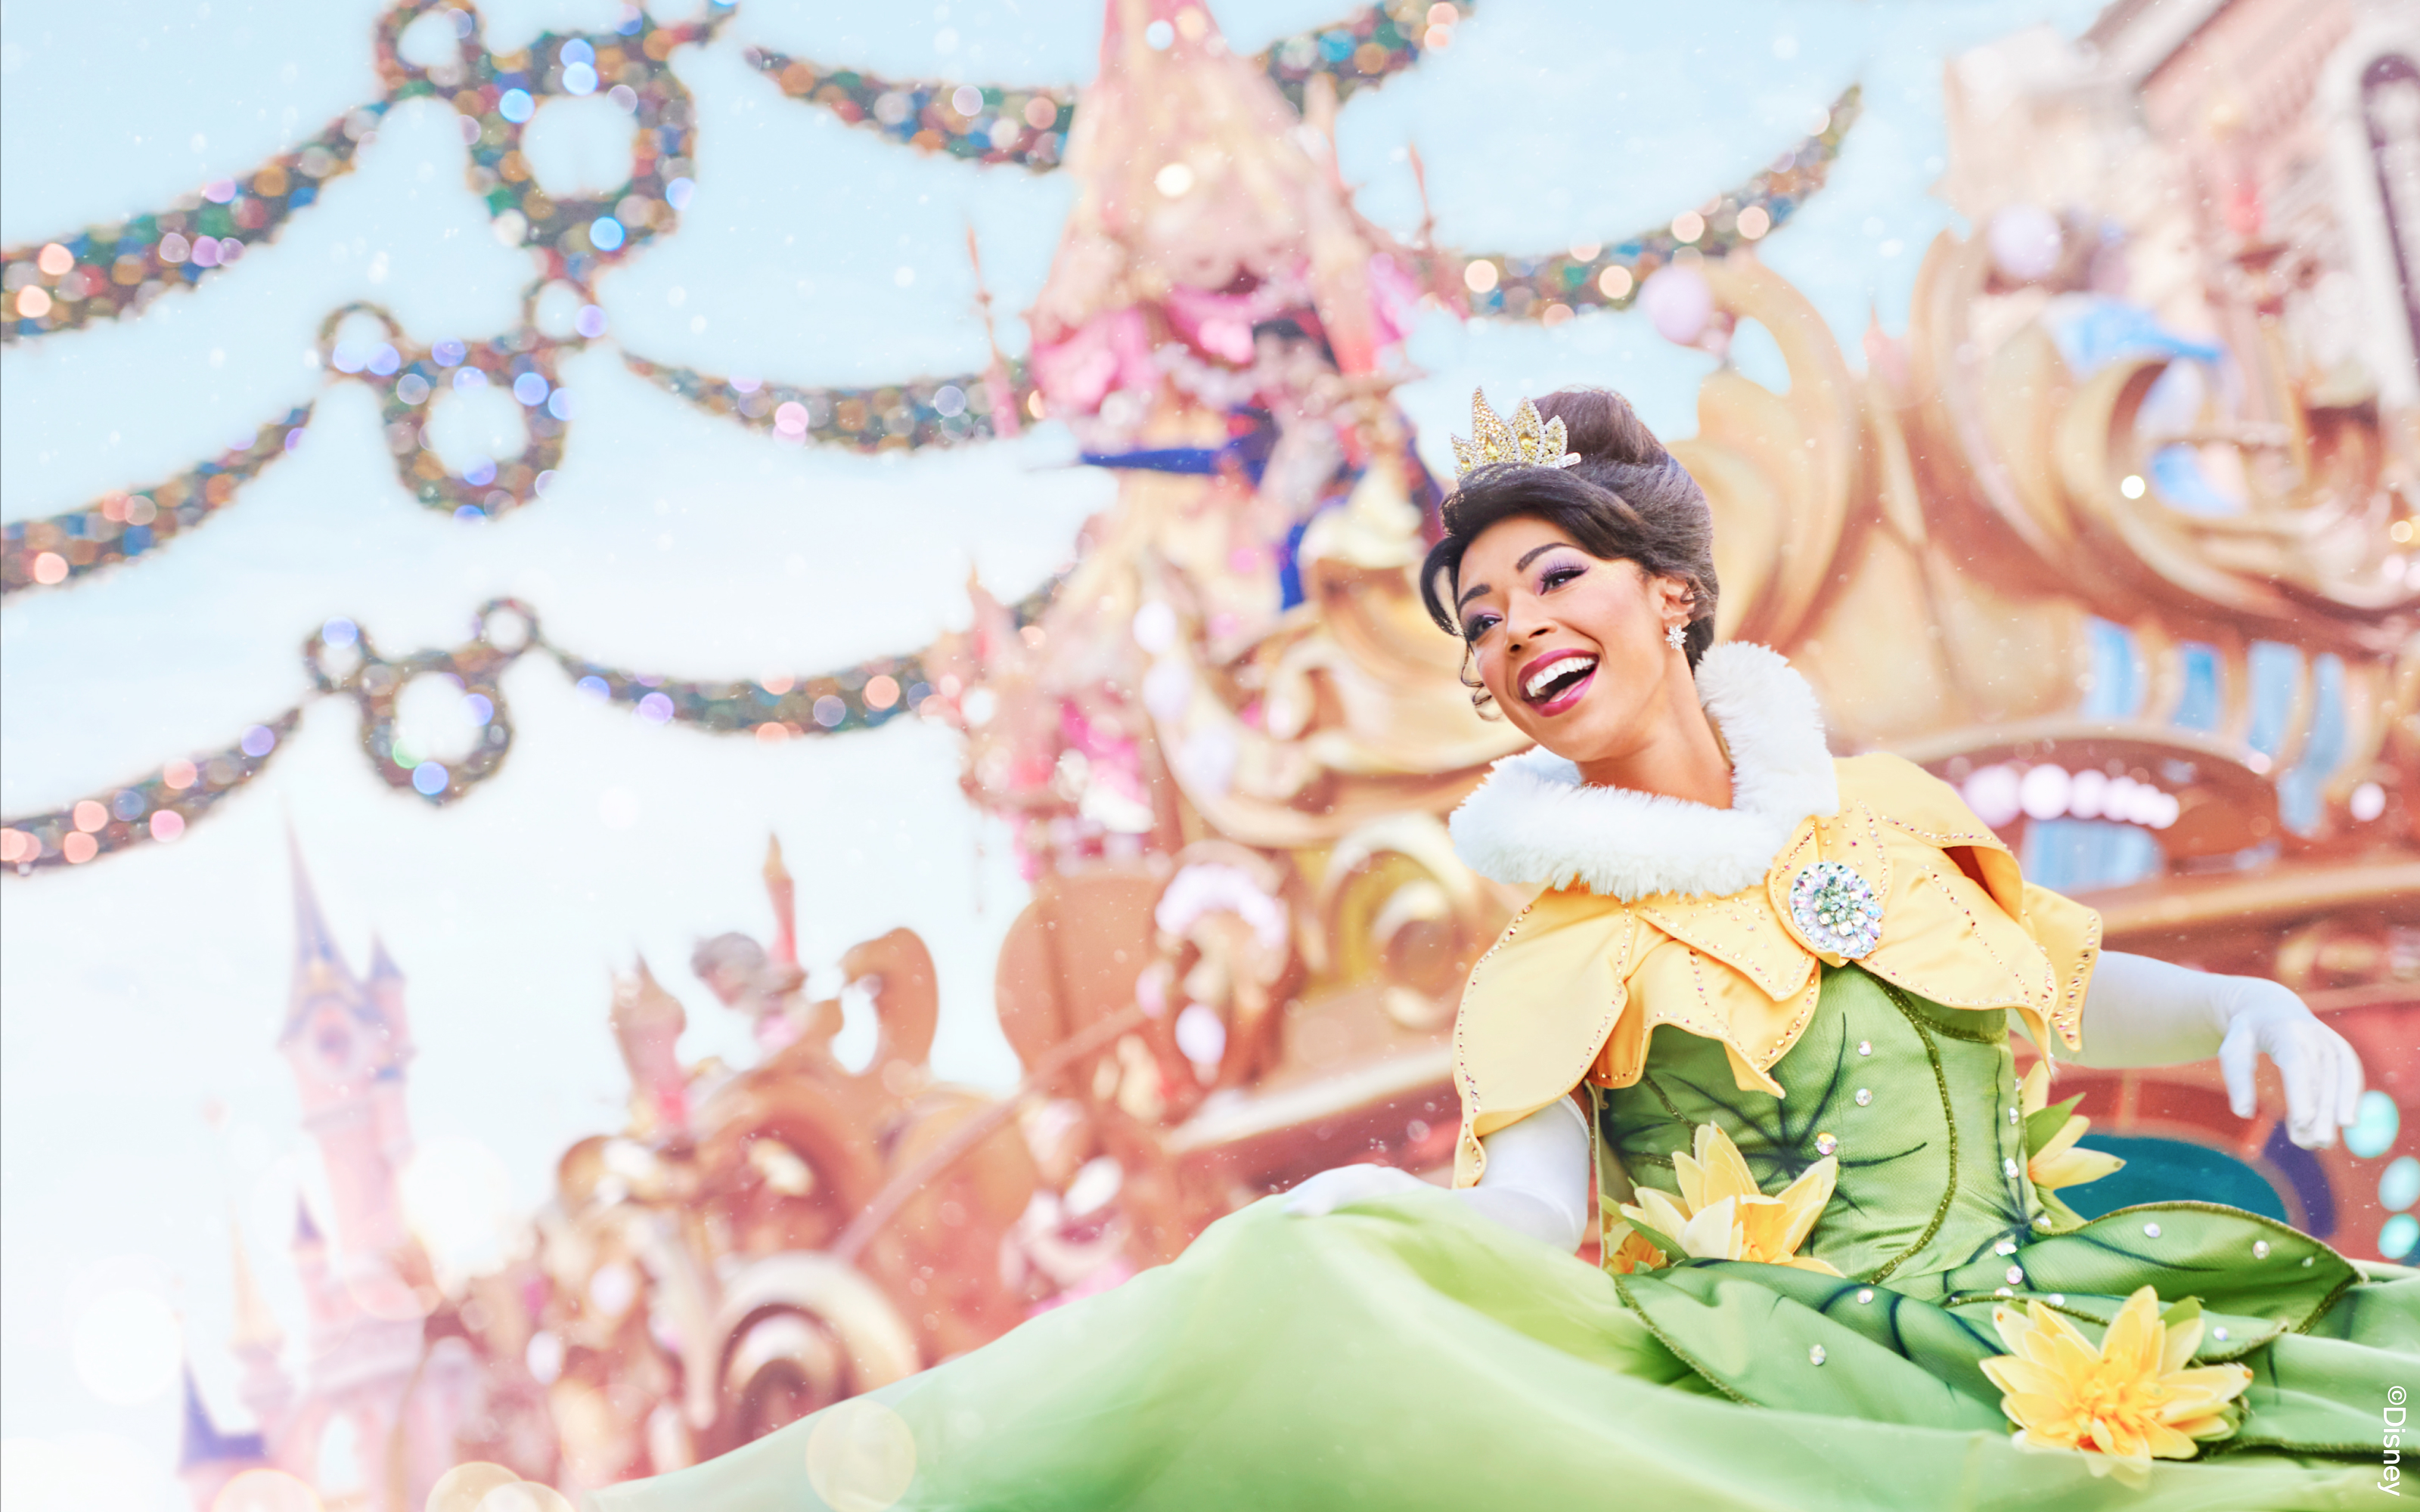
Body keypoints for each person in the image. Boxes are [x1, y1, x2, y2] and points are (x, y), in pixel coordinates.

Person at [592, 388, 2410, 1512]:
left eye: (1554, 576)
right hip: (1800, 1392)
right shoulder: (1554, 953)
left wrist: (2245, 995)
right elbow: (1533, 1220)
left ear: (1666, 594)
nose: (1517, 624)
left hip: (2086, 1320)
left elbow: (2058, 973)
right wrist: (1351, 1253)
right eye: (1481, 613)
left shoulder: (1881, 812)